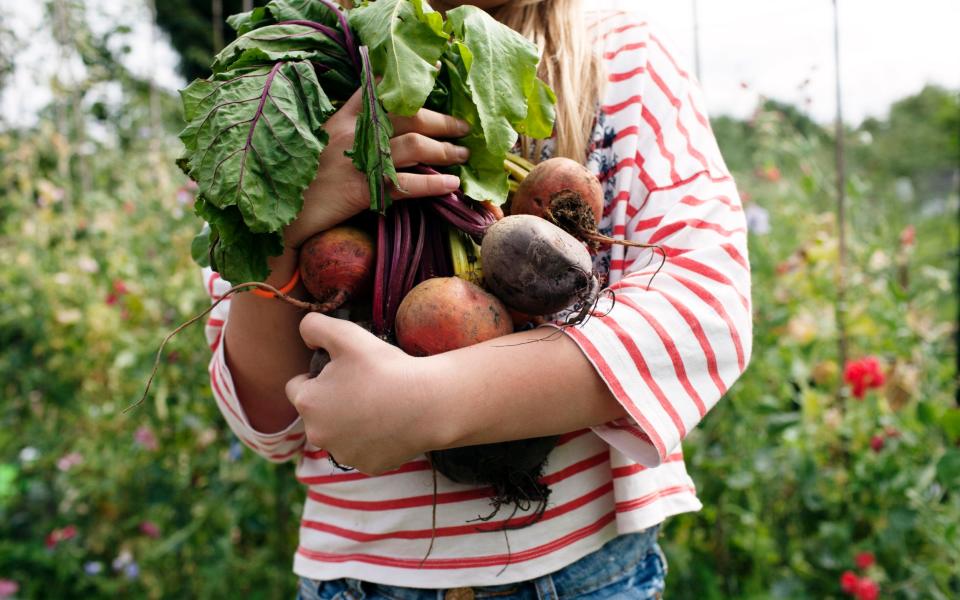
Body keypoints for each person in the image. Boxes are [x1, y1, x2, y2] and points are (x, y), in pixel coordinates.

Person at [201, 0, 752, 597]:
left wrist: (433, 401)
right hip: (357, 579)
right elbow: (270, 424)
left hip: (583, 572)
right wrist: (286, 214)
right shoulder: (305, 76)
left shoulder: (615, 54)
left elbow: (705, 309)